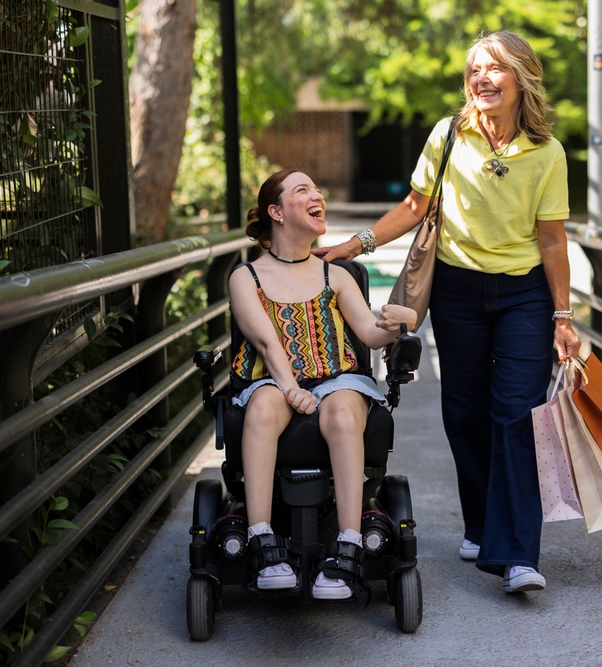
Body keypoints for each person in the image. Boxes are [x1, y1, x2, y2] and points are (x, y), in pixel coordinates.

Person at [318, 30, 581, 594]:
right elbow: (416, 206)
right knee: (464, 408)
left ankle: (516, 555)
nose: (482, 78)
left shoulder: (547, 153)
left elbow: (552, 240)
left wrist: (563, 316)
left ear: (522, 77)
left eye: (495, 68)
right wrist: (352, 245)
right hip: (457, 291)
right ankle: (484, 523)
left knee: (515, 412)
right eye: (474, 69)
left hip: (524, 296)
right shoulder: (449, 134)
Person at [231, 169, 417, 600]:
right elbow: (264, 339)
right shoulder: (247, 277)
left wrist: (398, 323)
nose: (318, 195)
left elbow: (370, 333)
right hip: (271, 381)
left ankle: (349, 544)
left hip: (337, 377)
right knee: (261, 407)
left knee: (344, 409)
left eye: (317, 189)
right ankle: (262, 540)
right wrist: (290, 386)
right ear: (276, 212)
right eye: (303, 191)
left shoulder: (336, 275)